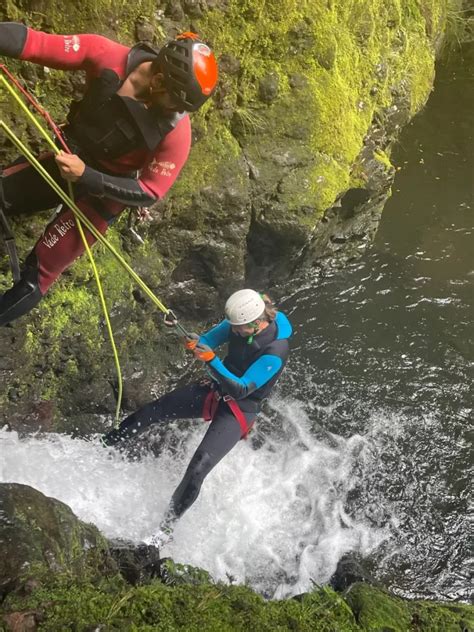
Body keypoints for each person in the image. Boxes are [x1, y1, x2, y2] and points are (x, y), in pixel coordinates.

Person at [0, 23, 218, 325]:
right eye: (176, 102)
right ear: (158, 80)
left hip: (103, 195)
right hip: (67, 157)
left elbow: (150, 192)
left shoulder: (176, 134)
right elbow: (35, 44)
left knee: (37, 275)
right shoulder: (108, 57)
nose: (177, 112)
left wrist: (87, 176)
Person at [102, 289, 293, 546]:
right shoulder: (241, 320)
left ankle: (163, 532)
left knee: (198, 467)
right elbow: (207, 341)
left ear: (257, 322)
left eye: (238, 328)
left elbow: (242, 388)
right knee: (153, 411)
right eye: (232, 326)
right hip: (216, 387)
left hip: (240, 407)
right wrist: (184, 334)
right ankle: (103, 447)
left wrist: (212, 361)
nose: (232, 331)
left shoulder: (275, 349)